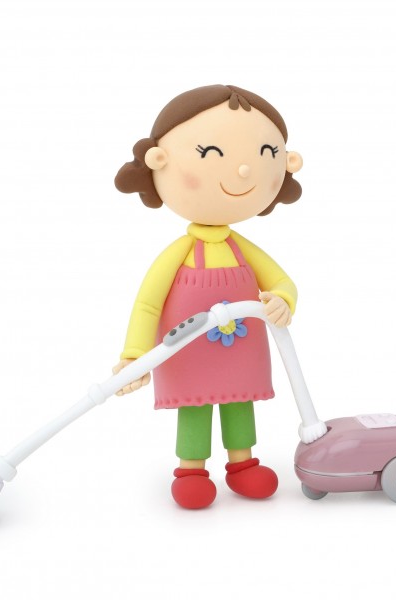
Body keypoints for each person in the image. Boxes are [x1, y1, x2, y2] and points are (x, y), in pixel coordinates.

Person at [114, 84, 303, 509]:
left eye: (266, 155)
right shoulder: (178, 253)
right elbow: (148, 304)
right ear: (158, 161)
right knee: (195, 405)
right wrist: (135, 355)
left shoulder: (243, 249)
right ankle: (191, 470)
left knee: (239, 403)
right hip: (188, 349)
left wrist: (283, 300)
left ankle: (243, 464)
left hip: (241, 350)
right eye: (211, 154)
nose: (244, 171)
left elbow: (282, 281)